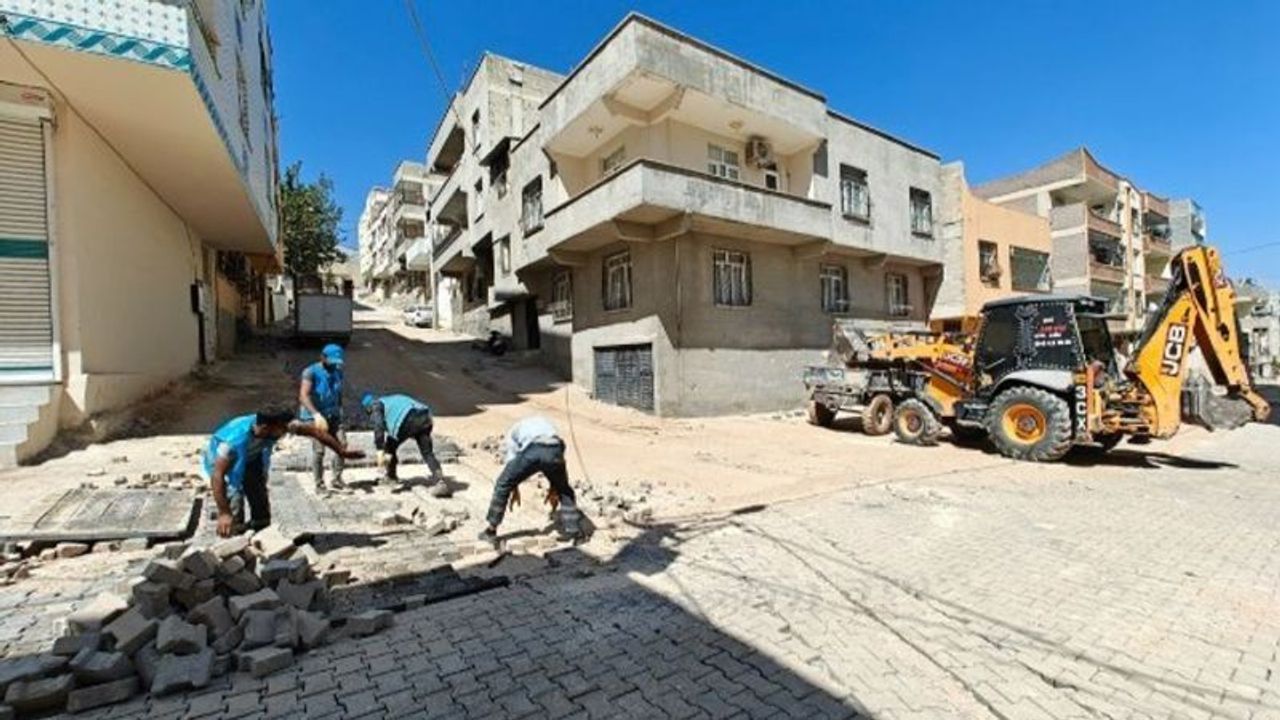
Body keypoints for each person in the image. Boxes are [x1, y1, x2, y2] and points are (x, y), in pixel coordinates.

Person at [203, 407, 363, 537]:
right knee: (234, 500)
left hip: (252, 457)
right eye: (282, 430)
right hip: (225, 463)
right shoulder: (232, 443)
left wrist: (341, 451)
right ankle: (233, 542)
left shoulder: (275, 425)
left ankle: (262, 534)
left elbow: (317, 433)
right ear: (266, 428)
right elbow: (217, 476)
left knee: (258, 491)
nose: (285, 433)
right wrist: (224, 512)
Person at [479, 415, 583, 542]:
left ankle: (491, 530)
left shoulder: (514, 430)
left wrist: (513, 486)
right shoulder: (546, 423)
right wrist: (555, 484)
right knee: (564, 490)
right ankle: (574, 531)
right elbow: (559, 449)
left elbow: (512, 459)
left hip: (534, 450)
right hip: (555, 449)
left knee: (502, 484)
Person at [361, 392, 445, 487]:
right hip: (425, 416)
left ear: (368, 408)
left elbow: (378, 426)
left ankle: (391, 477)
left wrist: (380, 448)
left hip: (406, 419)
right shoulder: (391, 399)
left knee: (389, 447)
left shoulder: (375, 405)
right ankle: (440, 481)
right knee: (427, 453)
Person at [299, 343, 346, 490]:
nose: (333, 365)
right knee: (319, 450)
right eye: (331, 362)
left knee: (342, 445)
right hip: (316, 416)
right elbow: (303, 396)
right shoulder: (310, 372)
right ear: (323, 357)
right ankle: (319, 484)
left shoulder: (338, 371)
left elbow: (338, 393)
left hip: (333, 414)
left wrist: (340, 412)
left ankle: (337, 479)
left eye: (336, 362)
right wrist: (316, 415)